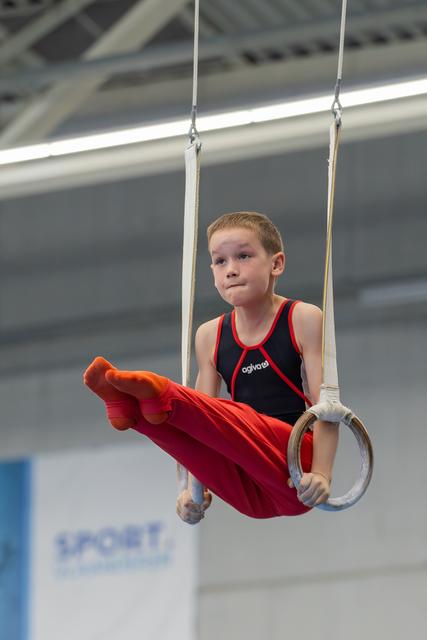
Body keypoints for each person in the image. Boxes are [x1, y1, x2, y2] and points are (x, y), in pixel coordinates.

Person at [84, 212, 338, 524]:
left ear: (276, 264)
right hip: (247, 484)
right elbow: (202, 424)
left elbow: (328, 406)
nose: (231, 270)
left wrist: (323, 474)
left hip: (296, 467)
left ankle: (163, 392)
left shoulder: (303, 318)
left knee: (233, 416)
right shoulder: (209, 335)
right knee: (192, 421)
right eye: (220, 261)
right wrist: (191, 491)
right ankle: (133, 413)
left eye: (243, 256)